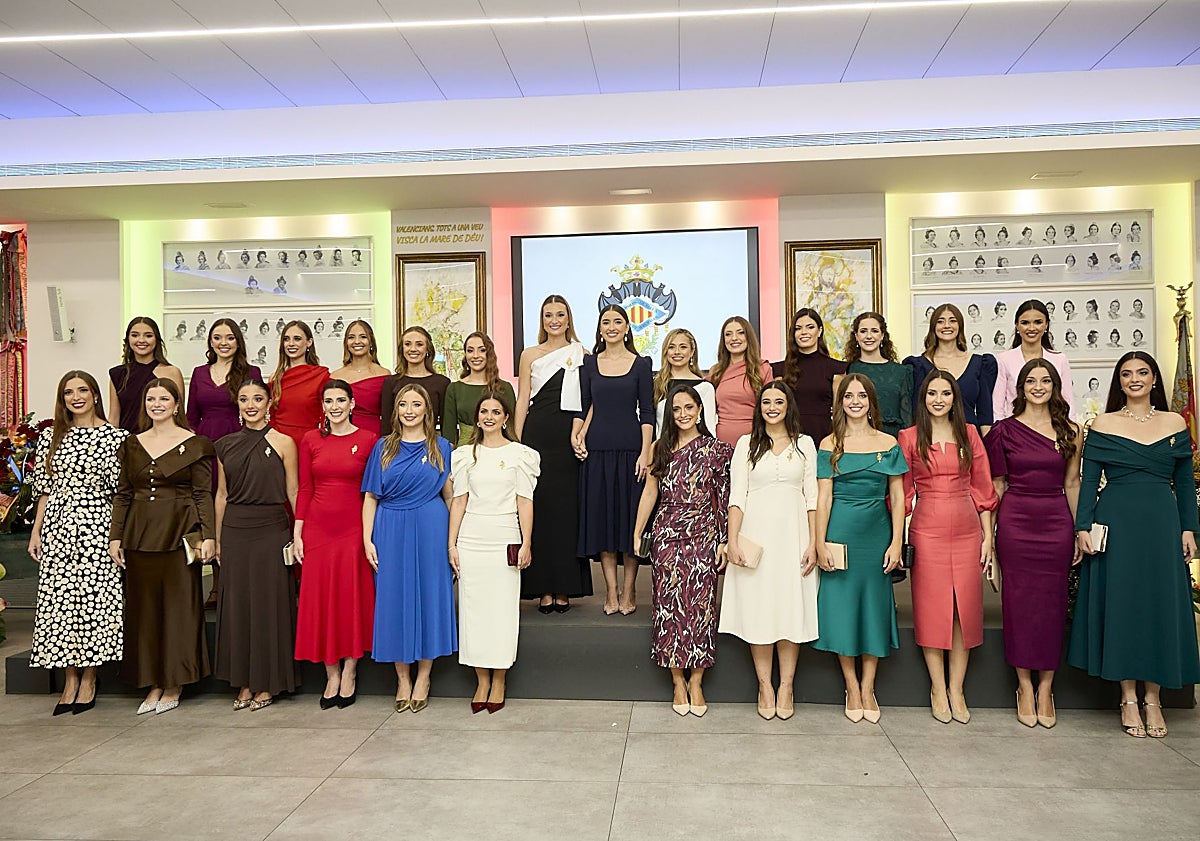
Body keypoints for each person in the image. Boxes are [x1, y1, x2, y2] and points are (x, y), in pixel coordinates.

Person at [1070, 352, 1199, 739]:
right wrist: (1082, 528)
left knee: (1159, 604)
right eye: (1126, 374)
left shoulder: (1175, 423)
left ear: (1154, 379)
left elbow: (1186, 486)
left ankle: (1154, 698)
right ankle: (1128, 697)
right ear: (1119, 382)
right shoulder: (1104, 424)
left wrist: (1189, 530)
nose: (1135, 379)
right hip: (1117, 522)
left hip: (1162, 521)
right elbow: (1088, 481)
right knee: (1123, 603)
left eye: (1142, 372)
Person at [109, 378, 216, 715]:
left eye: (164, 398)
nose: (157, 404)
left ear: (176, 403)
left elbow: (202, 493)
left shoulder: (195, 444)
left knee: (179, 611)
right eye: (151, 398)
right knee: (145, 613)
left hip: (179, 534)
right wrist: (116, 537)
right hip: (139, 535)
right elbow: (124, 493)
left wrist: (209, 535)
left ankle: (174, 682)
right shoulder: (132, 444)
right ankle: (153, 681)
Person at [985, 360, 1081, 729]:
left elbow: (1072, 483)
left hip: (1056, 521)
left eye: (1045, 381)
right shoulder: (1003, 431)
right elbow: (997, 487)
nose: (1038, 386)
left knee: (1052, 604)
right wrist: (990, 539)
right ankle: (1024, 686)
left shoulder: (1071, 430)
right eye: (1031, 381)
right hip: (1016, 520)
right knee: (1018, 603)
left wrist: (1077, 530)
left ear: (1055, 386)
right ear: (1019, 387)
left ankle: (1046, 688)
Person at [28, 371, 128, 715]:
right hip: (57, 528)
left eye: (83, 390)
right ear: (63, 398)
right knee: (61, 606)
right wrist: (36, 531)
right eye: (69, 392)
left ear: (95, 395)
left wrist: (117, 536)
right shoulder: (49, 436)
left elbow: (120, 494)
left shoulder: (116, 437)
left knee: (95, 605)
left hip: (97, 527)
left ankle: (89, 678)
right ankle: (69, 678)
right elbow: (43, 489)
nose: (76, 397)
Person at [899, 371, 997, 724]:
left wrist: (989, 540)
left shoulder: (969, 434)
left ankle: (957, 688)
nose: (938, 399)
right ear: (923, 398)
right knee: (932, 609)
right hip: (928, 529)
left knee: (964, 610)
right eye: (932, 393)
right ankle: (937, 688)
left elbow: (983, 488)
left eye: (945, 393)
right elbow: (904, 493)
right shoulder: (909, 437)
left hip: (968, 528)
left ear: (955, 398)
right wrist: (900, 535)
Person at [719, 382, 818, 721]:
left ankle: (787, 685)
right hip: (755, 536)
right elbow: (737, 496)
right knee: (759, 609)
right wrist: (732, 541)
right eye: (766, 402)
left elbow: (812, 499)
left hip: (794, 537)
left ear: (789, 405)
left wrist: (813, 543)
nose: (772, 407)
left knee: (791, 609)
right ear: (758, 407)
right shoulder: (747, 444)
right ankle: (765, 685)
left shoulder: (805, 445)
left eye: (779, 401)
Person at [813, 374, 907, 723]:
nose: (855, 401)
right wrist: (819, 541)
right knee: (843, 610)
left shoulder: (888, 441)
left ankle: (869, 686)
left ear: (871, 401)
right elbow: (824, 497)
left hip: (877, 534)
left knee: (873, 608)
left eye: (861, 395)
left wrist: (897, 541)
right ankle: (851, 686)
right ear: (840, 402)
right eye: (848, 396)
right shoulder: (829, 443)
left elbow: (897, 496)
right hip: (840, 532)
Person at [632, 385, 730, 716]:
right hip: (666, 535)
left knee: (701, 608)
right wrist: (637, 533)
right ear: (670, 415)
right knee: (668, 607)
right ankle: (677, 680)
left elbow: (723, 501)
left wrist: (724, 541)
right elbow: (650, 493)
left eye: (689, 407)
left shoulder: (716, 450)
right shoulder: (660, 448)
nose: (683, 414)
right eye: (677, 409)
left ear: (700, 410)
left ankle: (697, 681)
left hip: (703, 534)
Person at [363, 384, 455, 713]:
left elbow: (450, 496)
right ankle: (402, 677)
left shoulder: (441, 446)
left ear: (428, 410)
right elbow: (371, 497)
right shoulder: (383, 448)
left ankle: (424, 676)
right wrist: (367, 539)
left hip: (431, 525)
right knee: (394, 599)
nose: (410, 410)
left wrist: (452, 541)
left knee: (430, 596)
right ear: (396, 410)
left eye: (417, 404)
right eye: (404, 404)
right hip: (390, 528)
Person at [448, 393, 540, 714]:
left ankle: (499, 678)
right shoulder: (463, 455)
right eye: (484, 411)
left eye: (496, 411)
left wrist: (526, 541)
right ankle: (481, 679)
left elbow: (524, 501)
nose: (489, 416)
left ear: (505, 418)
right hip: (472, 540)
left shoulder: (521, 455)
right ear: (477, 418)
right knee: (473, 612)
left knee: (501, 612)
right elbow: (458, 501)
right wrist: (452, 544)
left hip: (505, 538)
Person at [213, 381, 300, 711]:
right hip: (236, 529)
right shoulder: (224, 445)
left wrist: (298, 533)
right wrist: (219, 538)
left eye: (258, 399)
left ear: (269, 403)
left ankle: (268, 682)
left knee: (269, 605)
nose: (251, 404)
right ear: (237, 404)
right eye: (245, 399)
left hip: (272, 529)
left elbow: (293, 492)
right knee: (238, 606)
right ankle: (245, 682)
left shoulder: (284, 443)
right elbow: (221, 495)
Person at [294, 380, 378, 709]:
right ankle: (331, 673)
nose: (335, 406)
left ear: (352, 403)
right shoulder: (310, 440)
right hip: (317, 528)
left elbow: (371, 492)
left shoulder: (369, 440)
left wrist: (369, 534)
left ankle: (351, 670)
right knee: (321, 598)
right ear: (323, 406)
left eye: (340, 400)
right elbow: (304, 487)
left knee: (350, 596)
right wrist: (298, 531)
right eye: (329, 401)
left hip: (353, 528)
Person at [574, 304, 655, 615]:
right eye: (605, 322)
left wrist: (645, 453)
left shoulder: (641, 364)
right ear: (599, 328)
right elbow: (585, 408)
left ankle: (631, 587)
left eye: (617, 322)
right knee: (604, 523)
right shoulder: (589, 364)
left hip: (631, 451)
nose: (611, 327)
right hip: (596, 453)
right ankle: (610, 589)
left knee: (628, 523)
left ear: (626, 327)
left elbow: (647, 412)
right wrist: (578, 436)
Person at [514, 295, 591, 613]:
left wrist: (582, 434)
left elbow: (589, 401)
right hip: (537, 436)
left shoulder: (583, 353)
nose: (554, 320)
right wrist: (516, 442)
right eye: (548, 315)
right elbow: (522, 400)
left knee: (566, 512)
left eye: (560, 314)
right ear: (541, 319)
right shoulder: (529, 354)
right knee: (539, 511)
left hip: (568, 439)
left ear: (569, 318)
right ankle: (542, 587)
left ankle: (565, 588)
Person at [186, 318, 262, 608]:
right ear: (210, 342)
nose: (223, 343)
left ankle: (241, 581)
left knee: (235, 507)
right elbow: (191, 417)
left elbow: (256, 409)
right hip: (206, 448)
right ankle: (216, 585)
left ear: (238, 341)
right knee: (210, 509)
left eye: (229, 337)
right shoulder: (199, 372)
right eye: (217, 337)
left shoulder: (250, 372)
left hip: (239, 445)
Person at [904, 304, 997, 432]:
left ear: (960, 326)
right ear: (933, 327)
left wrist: (986, 448)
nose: (947, 325)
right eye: (940, 321)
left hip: (969, 440)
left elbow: (984, 412)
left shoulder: (980, 364)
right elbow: (915, 411)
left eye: (952, 321)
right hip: (930, 440)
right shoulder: (917, 366)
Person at [772, 308, 846, 445]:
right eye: (798, 328)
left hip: (824, 438)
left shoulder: (837, 368)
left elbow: (839, 413)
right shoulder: (778, 369)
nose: (804, 332)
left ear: (820, 331)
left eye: (810, 327)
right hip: (787, 437)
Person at [992, 299, 1075, 421]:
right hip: (1014, 432)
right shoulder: (1003, 360)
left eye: (1038, 322)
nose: (1031, 328)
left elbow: (1069, 402)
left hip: (1053, 430)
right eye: (1025, 323)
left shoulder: (1059, 359)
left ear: (1046, 324)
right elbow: (997, 408)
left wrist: (1069, 432)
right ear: (1017, 325)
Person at [108, 317, 185, 434]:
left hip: (163, 440)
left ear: (157, 339)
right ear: (128, 339)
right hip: (128, 443)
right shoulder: (117, 374)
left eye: (148, 336)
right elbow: (114, 419)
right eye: (135, 335)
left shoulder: (172, 372)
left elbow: (178, 414)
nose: (141, 340)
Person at [844, 312, 912, 436]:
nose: (869, 336)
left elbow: (908, 414)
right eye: (863, 331)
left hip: (894, 438)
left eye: (874, 331)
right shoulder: (848, 369)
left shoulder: (902, 371)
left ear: (882, 335)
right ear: (856, 336)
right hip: (857, 436)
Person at [442, 331, 516, 446]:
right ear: (465, 355)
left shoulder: (505, 388)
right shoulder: (454, 389)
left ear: (489, 354)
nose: (475, 355)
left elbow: (512, 428)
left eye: (482, 350)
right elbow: (448, 435)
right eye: (470, 351)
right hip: (465, 452)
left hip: (499, 451)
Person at [708, 316, 771, 446]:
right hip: (721, 444)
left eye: (740, 333)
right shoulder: (715, 372)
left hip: (754, 441)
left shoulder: (763, 368)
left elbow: (771, 407)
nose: (734, 338)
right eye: (728, 334)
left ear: (748, 336)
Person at [269, 320, 330, 447]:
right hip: (278, 444)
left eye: (297, 339)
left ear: (309, 342)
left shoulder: (320, 376)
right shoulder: (275, 379)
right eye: (286, 339)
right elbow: (271, 417)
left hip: (308, 443)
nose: (291, 344)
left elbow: (325, 416)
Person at [380, 326, 450, 436]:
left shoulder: (442, 383)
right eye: (407, 344)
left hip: (431, 446)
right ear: (402, 349)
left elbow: (446, 425)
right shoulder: (390, 383)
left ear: (428, 349)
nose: (413, 349)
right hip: (397, 447)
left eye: (419, 344)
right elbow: (386, 426)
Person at [329, 320, 390, 436]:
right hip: (340, 435)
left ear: (371, 341)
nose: (357, 341)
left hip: (374, 436)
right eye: (351, 337)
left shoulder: (383, 375)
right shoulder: (334, 376)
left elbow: (389, 415)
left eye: (363, 337)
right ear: (346, 342)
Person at [652, 327, 717, 435]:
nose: (677, 352)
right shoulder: (655, 384)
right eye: (671, 347)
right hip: (662, 449)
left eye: (683, 347)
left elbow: (710, 429)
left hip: (695, 450)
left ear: (692, 351)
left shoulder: (705, 387)